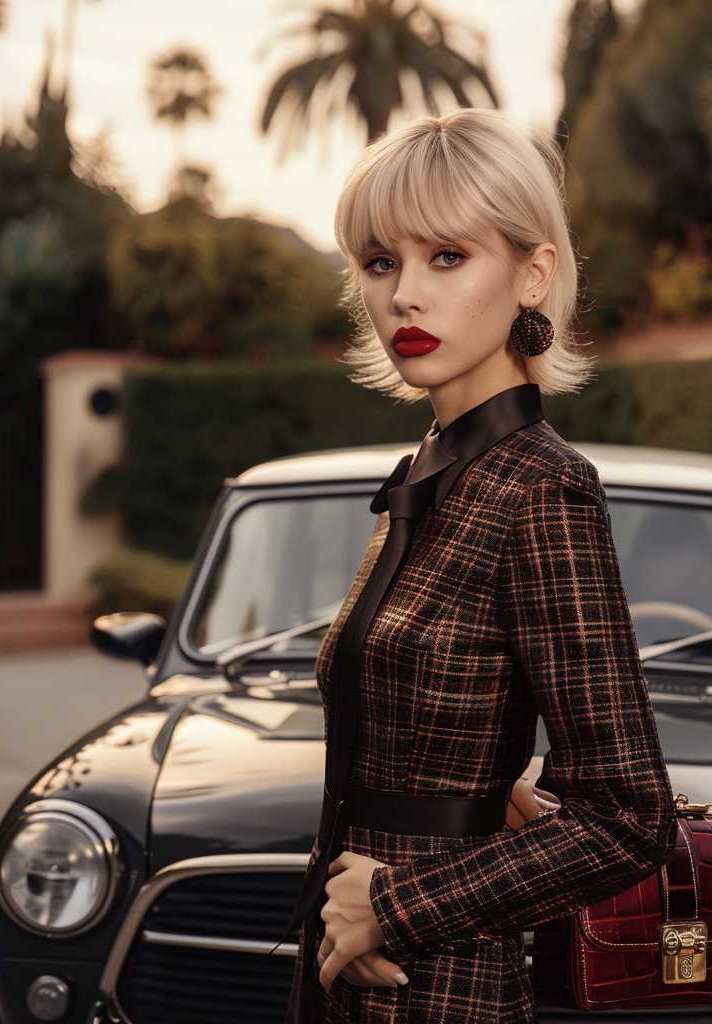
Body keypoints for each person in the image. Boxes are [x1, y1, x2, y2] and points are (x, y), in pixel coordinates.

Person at [284, 107, 676, 1024]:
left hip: (443, 990)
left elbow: (629, 817)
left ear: (532, 274)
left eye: (447, 257)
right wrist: (484, 786)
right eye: (382, 263)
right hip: (350, 974)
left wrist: (398, 908)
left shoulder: (542, 488)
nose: (404, 297)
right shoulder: (432, 472)